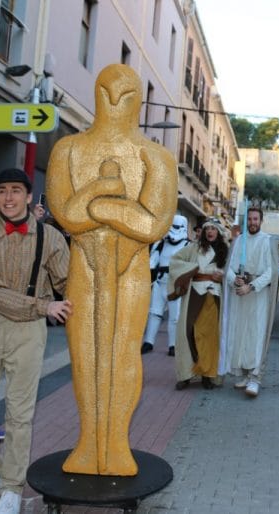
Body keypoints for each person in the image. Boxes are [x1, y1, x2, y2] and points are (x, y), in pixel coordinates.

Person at [46, 64, 177, 477]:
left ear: (138, 100)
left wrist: (101, 207)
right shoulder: (67, 149)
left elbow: (154, 223)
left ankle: (117, 442)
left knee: (123, 353)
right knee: (84, 354)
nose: (115, 101)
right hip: (83, 266)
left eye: (126, 93)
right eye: (107, 91)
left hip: (132, 269)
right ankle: (89, 441)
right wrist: (115, 207)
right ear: (97, 93)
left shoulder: (155, 156)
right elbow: (63, 213)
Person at [0, 168, 70, 513]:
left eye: (15, 190)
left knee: (19, 413)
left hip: (29, 332)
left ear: (28, 196)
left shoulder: (51, 238)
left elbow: (68, 283)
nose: (8, 197)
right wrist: (44, 304)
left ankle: (11, 486)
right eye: (2, 191)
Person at [221, 206, 279, 397]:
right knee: (240, 333)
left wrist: (251, 286)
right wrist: (234, 280)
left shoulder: (268, 241)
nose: (253, 222)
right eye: (250, 219)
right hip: (240, 294)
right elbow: (229, 267)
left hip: (257, 294)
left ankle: (256, 378)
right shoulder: (239, 241)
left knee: (256, 334)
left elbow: (272, 271)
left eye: (256, 219)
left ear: (261, 221)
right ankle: (245, 373)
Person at [168, 218, 229, 390]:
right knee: (188, 332)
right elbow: (175, 261)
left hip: (215, 295)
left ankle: (207, 375)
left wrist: (222, 275)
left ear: (218, 231)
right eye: (207, 228)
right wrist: (193, 268)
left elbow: (232, 270)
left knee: (210, 336)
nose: (210, 231)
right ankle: (185, 374)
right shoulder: (194, 248)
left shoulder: (226, 250)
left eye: (213, 229)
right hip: (195, 294)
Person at [141, 215, 190, 356]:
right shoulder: (160, 244)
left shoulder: (187, 246)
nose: (173, 230)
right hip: (159, 282)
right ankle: (148, 342)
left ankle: (173, 345)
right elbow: (151, 262)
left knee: (175, 317)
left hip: (176, 284)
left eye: (176, 226)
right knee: (154, 313)